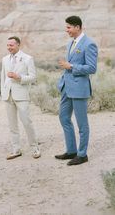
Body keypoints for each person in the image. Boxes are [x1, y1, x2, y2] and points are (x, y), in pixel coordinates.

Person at [55, 16, 98, 166]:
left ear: (78, 27)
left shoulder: (89, 44)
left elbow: (92, 68)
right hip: (67, 88)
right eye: (66, 27)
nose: (66, 30)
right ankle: (71, 150)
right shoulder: (70, 43)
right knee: (64, 117)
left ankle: (82, 154)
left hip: (79, 88)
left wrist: (71, 66)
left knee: (82, 123)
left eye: (69, 27)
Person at [1, 36, 41, 160]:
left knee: (27, 122)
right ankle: (16, 149)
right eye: (8, 45)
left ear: (18, 45)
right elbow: (3, 77)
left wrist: (19, 77)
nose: (9, 47)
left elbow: (33, 77)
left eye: (11, 45)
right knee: (12, 125)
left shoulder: (28, 59)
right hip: (8, 95)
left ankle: (34, 148)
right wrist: (3, 92)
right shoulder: (5, 59)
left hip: (22, 94)